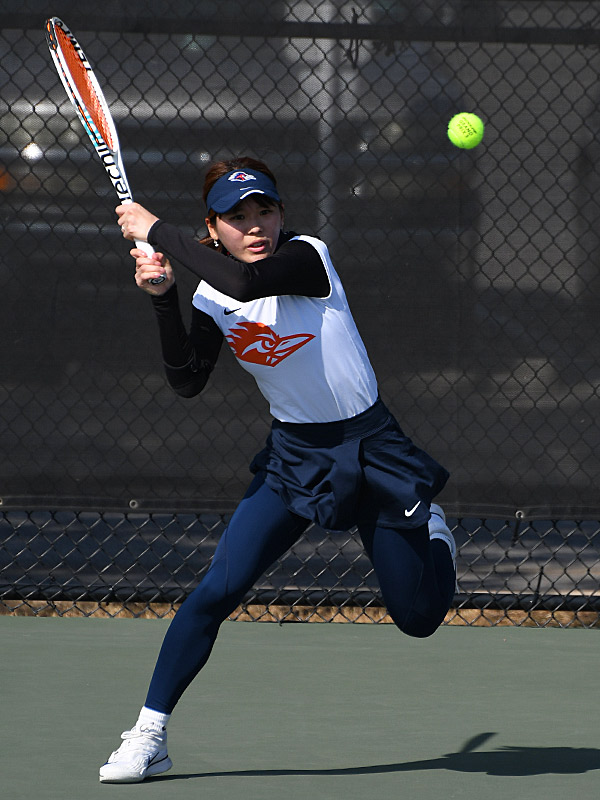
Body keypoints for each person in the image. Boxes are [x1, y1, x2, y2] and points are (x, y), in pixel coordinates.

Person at [99, 156, 456, 783]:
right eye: (238, 218)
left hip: (372, 448)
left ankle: (435, 531)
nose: (256, 225)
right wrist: (164, 298)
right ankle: (148, 734)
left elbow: (246, 285)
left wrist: (156, 230)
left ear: (282, 214)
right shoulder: (212, 290)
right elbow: (187, 380)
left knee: (419, 618)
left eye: (264, 210)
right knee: (217, 590)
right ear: (213, 229)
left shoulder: (307, 257)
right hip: (295, 458)